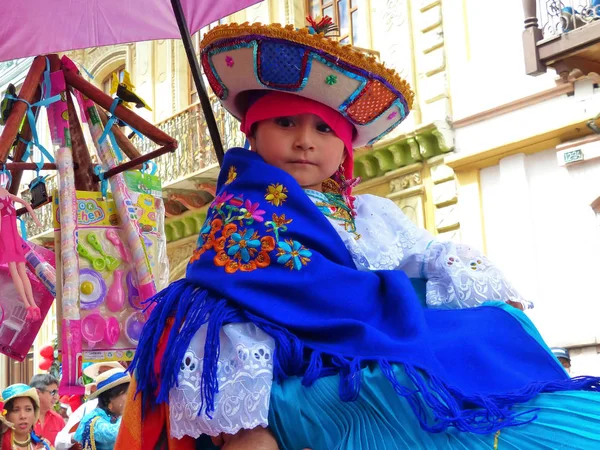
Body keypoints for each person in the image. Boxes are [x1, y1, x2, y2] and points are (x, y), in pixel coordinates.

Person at [116, 17, 600, 450]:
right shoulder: (242, 215)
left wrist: (485, 285)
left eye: (324, 130)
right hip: (306, 381)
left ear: (345, 146)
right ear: (254, 132)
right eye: (285, 122)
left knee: (494, 326)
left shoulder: (372, 212)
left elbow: (431, 253)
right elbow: (227, 321)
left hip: (382, 349)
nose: (305, 140)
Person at [0, 180, 43, 322]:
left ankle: (30, 305)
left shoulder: (5, 194)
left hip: (10, 232)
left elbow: (24, 203)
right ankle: (30, 305)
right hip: (10, 232)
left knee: (17, 269)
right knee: (18, 268)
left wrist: (36, 218)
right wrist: (35, 219)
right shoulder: (6, 194)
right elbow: (24, 204)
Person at [55, 362, 124, 450]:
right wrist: (80, 435)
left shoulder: (132, 410)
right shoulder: (88, 408)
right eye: (100, 374)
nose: (103, 378)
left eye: (110, 374)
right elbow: (59, 442)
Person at [74, 369, 130, 450]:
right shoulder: (94, 422)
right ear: (110, 401)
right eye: (127, 394)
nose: (131, 399)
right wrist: (127, 411)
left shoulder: (112, 418)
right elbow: (117, 433)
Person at [0, 384, 53, 449]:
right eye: (16, 410)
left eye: (28, 409)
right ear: (5, 415)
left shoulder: (44, 446)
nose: (23, 416)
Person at [29, 375, 64, 447]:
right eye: (53, 392)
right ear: (37, 393)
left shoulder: (58, 420)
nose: (56, 397)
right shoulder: (25, 418)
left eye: (57, 393)